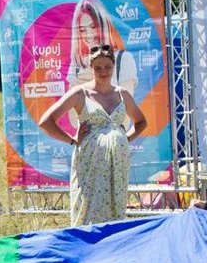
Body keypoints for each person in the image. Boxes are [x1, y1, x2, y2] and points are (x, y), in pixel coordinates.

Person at [36, 43, 148, 226]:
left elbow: (141, 122)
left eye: (108, 67)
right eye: (98, 68)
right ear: (91, 68)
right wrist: (71, 140)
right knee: (87, 206)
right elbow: (46, 121)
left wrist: (124, 139)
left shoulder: (122, 94)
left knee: (115, 205)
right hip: (90, 161)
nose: (103, 71)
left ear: (114, 66)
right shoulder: (80, 94)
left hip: (117, 162)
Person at [64, 0, 137, 92]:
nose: (88, 35)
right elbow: (71, 105)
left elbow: (127, 103)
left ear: (103, 25)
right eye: (82, 30)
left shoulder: (123, 59)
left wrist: (89, 85)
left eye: (93, 27)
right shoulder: (77, 63)